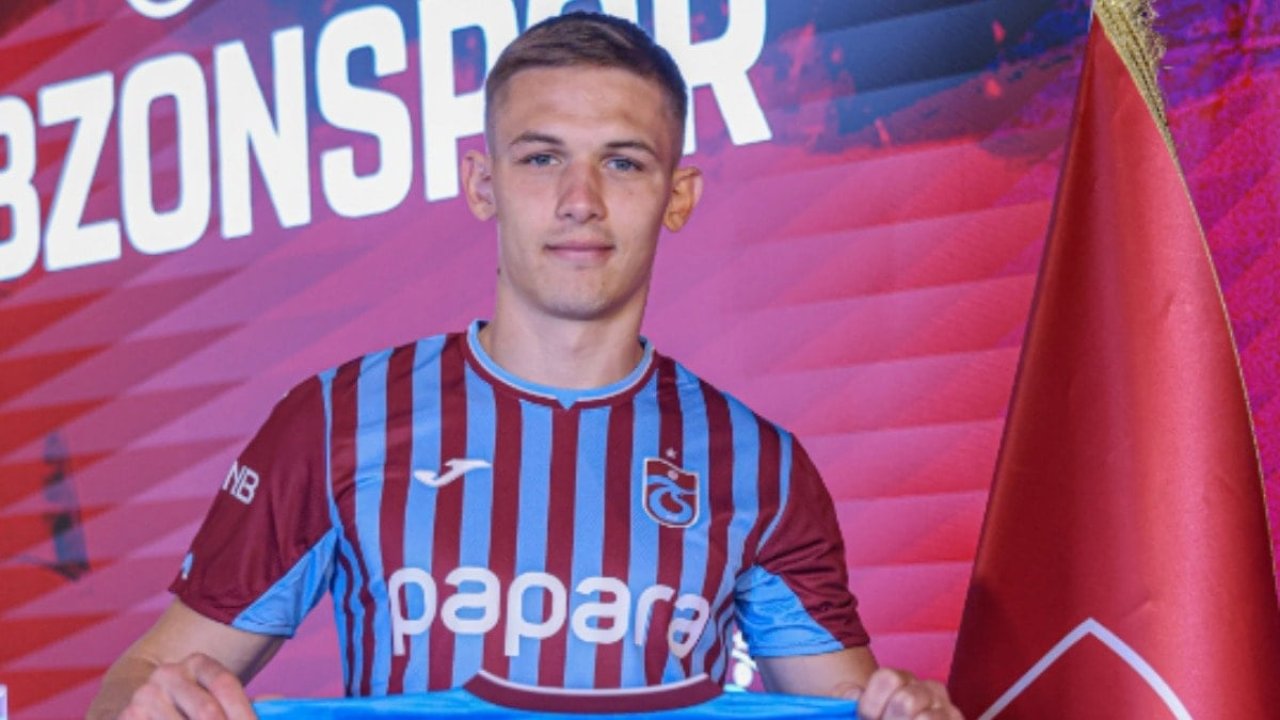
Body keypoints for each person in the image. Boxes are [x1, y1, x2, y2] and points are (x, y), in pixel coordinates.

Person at [88, 12, 960, 720]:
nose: (580, 200)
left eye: (623, 162)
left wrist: (905, 713)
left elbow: (846, 708)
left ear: (678, 195)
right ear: (482, 184)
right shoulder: (332, 422)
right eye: (542, 158)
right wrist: (150, 706)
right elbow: (142, 678)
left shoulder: (761, 466)